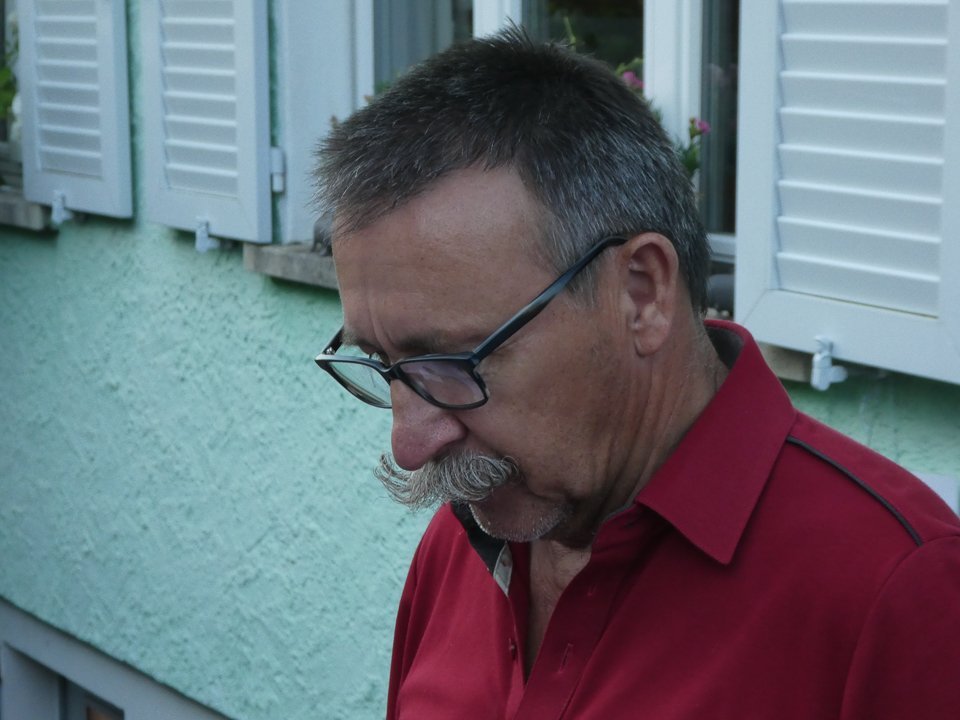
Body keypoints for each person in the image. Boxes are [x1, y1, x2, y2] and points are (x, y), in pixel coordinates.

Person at [313, 27, 960, 720]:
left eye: (451, 361)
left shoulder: (893, 589)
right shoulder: (464, 538)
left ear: (642, 294)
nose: (410, 446)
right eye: (383, 364)